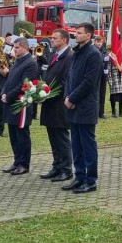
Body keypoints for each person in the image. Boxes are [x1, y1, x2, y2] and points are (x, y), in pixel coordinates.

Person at [64, 23, 102, 193]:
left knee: (87, 144)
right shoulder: (76, 52)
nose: (76, 35)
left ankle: (91, 179)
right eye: (76, 33)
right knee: (76, 144)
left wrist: (73, 98)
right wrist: (67, 96)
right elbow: (70, 77)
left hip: (85, 105)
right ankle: (79, 176)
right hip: (73, 105)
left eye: (79, 33)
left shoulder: (93, 54)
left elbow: (89, 82)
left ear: (89, 35)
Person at [39, 29, 74, 181]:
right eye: (52, 37)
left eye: (55, 38)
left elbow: (66, 81)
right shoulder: (55, 55)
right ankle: (57, 166)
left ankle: (66, 169)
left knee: (61, 137)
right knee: (53, 137)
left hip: (59, 103)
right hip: (50, 102)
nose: (51, 40)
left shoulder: (69, 57)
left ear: (64, 40)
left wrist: (51, 92)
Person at [1, 38, 39, 175]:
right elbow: (10, 79)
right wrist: (3, 92)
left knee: (22, 135)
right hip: (11, 103)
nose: (14, 50)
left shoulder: (30, 63)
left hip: (21, 103)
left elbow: (24, 84)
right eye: (14, 47)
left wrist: (9, 95)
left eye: (17, 48)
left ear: (24, 47)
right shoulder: (17, 61)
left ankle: (24, 163)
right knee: (13, 135)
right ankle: (17, 161)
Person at [106, 45, 122, 118]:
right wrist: (110, 80)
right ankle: (113, 112)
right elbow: (108, 69)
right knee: (113, 96)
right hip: (114, 77)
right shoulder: (111, 56)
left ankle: (120, 112)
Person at [94, 34, 109, 119]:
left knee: (102, 94)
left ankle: (101, 112)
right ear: (95, 42)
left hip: (103, 75)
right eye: (98, 42)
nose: (99, 44)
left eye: (101, 42)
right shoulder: (93, 51)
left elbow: (106, 63)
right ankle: (95, 112)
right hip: (96, 75)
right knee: (96, 94)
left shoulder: (104, 51)